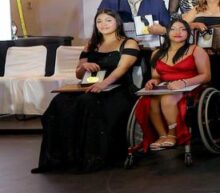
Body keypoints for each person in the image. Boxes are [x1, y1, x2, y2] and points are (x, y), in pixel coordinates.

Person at [33, 9, 141, 173]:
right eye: (99, 21)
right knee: (59, 101)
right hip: (89, 86)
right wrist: (84, 66)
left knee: (87, 102)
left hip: (117, 88)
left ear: (117, 23)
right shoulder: (91, 44)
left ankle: (89, 158)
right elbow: (78, 74)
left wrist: (103, 84)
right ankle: (61, 158)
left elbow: (122, 68)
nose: (103, 24)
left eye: (108, 20)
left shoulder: (128, 43)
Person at [137, 19, 212, 152]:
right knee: (149, 100)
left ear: (188, 33)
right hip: (166, 87)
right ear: (167, 32)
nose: (178, 32)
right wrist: (153, 81)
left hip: (190, 87)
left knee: (167, 99)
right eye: (173, 29)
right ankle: (162, 135)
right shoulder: (156, 53)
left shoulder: (196, 50)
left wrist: (184, 82)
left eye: (183, 29)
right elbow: (156, 76)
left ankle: (172, 134)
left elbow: (206, 76)